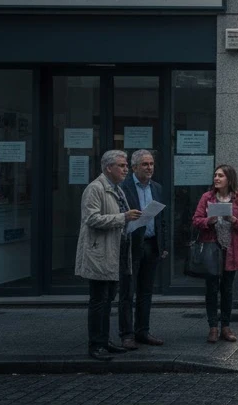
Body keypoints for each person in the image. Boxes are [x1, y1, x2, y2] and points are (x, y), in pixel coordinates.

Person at [75, 150, 142, 361]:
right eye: (121, 165)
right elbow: (92, 219)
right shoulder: (95, 188)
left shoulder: (117, 189)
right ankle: (96, 345)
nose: (126, 169)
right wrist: (123, 217)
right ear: (108, 168)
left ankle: (104, 341)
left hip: (116, 251)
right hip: (100, 253)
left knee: (109, 299)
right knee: (99, 300)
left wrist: (132, 220)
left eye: (126, 165)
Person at [193, 164, 238, 344]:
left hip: (231, 250)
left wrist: (233, 220)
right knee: (211, 289)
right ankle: (213, 327)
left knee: (227, 289)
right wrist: (208, 221)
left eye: (220, 176)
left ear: (229, 179)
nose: (216, 178)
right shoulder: (207, 197)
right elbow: (196, 220)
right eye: (215, 175)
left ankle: (226, 326)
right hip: (212, 248)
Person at [119, 149, 169, 349]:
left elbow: (161, 219)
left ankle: (143, 331)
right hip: (130, 245)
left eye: (151, 164)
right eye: (145, 164)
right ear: (134, 167)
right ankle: (127, 334)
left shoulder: (157, 187)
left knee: (146, 291)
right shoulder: (123, 187)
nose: (149, 168)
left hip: (151, 244)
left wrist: (163, 245)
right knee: (127, 292)